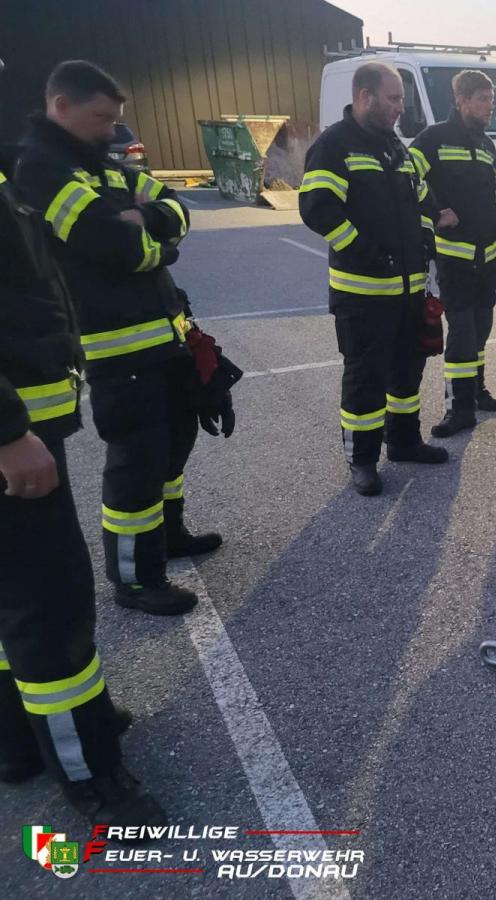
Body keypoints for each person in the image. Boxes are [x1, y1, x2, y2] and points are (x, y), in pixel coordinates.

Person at [0, 54, 164, 833]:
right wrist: (8, 434)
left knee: (17, 597)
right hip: (14, 435)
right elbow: (109, 243)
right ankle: (91, 774)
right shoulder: (36, 167)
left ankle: (20, 741)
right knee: (51, 603)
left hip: (29, 421)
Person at [16, 60, 226, 615]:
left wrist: (147, 221)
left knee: (174, 442)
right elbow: (112, 245)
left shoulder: (101, 164)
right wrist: (156, 244)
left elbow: (178, 207)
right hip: (116, 346)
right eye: (102, 118)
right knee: (136, 462)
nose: (112, 131)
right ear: (61, 106)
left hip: (164, 335)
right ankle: (134, 579)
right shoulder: (40, 168)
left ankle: (169, 536)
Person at [300, 62, 449, 496]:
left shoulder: (395, 147)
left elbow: (424, 201)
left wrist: (426, 241)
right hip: (362, 295)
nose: (401, 107)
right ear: (365, 96)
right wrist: (365, 251)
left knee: (407, 373)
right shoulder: (334, 145)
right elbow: (317, 209)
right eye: (394, 98)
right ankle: (362, 460)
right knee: (365, 381)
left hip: (408, 291)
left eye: (401, 98)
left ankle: (403, 441)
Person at [410, 70, 496, 436]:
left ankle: (477, 392)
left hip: (488, 260)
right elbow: (407, 175)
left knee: (480, 331)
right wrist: (435, 212)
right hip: (455, 260)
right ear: (462, 101)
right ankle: (458, 408)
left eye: (491, 100)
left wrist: (493, 217)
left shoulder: (486, 145)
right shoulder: (434, 138)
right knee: (462, 335)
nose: (489, 107)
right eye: (483, 99)